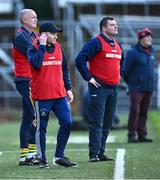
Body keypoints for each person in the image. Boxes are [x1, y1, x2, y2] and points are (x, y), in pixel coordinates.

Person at [27, 22, 78, 168]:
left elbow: (65, 69)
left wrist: (68, 88)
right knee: (41, 128)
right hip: (42, 97)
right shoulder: (33, 48)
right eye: (53, 33)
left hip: (60, 95)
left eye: (56, 34)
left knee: (67, 122)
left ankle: (59, 156)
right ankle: (42, 158)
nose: (56, 36)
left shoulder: (59, 47)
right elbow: (36, 64)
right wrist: (42, 46)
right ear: (44, 34)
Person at [75, 16, 124, 162]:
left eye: (116, 25)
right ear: (104, 28)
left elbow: (123, 61)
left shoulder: (117, 44)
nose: (116, 27)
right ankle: (94, 154)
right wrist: (89, 78)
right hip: (99, 88)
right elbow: (80, 60)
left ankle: (101, 152)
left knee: (108, 122)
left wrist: (119, 75)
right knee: (97, 121)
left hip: (113, 89)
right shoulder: (95, 42)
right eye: (112, 25)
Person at [12, 9, 39, 165]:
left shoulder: (34, 35)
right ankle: (31, 154)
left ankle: (25, 155)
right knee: (34, 116)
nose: (36, 19)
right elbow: (36, 54)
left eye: (36, 16)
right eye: (32, 17)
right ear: (23, 20)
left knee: (29, 116)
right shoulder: (21, 36)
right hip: (25, 80)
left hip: (32, 80)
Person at [123, 28, 155, 143]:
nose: (149, 39)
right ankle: (131, 134)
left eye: (150, 37)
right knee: (135, 110)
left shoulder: (151, 51)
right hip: (136, 88)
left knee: (144, 111)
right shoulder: (132, 52)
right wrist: (131, 84)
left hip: (149, 87)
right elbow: (125, 71)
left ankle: (142, 134)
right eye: (147, 37)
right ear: (141, 39)